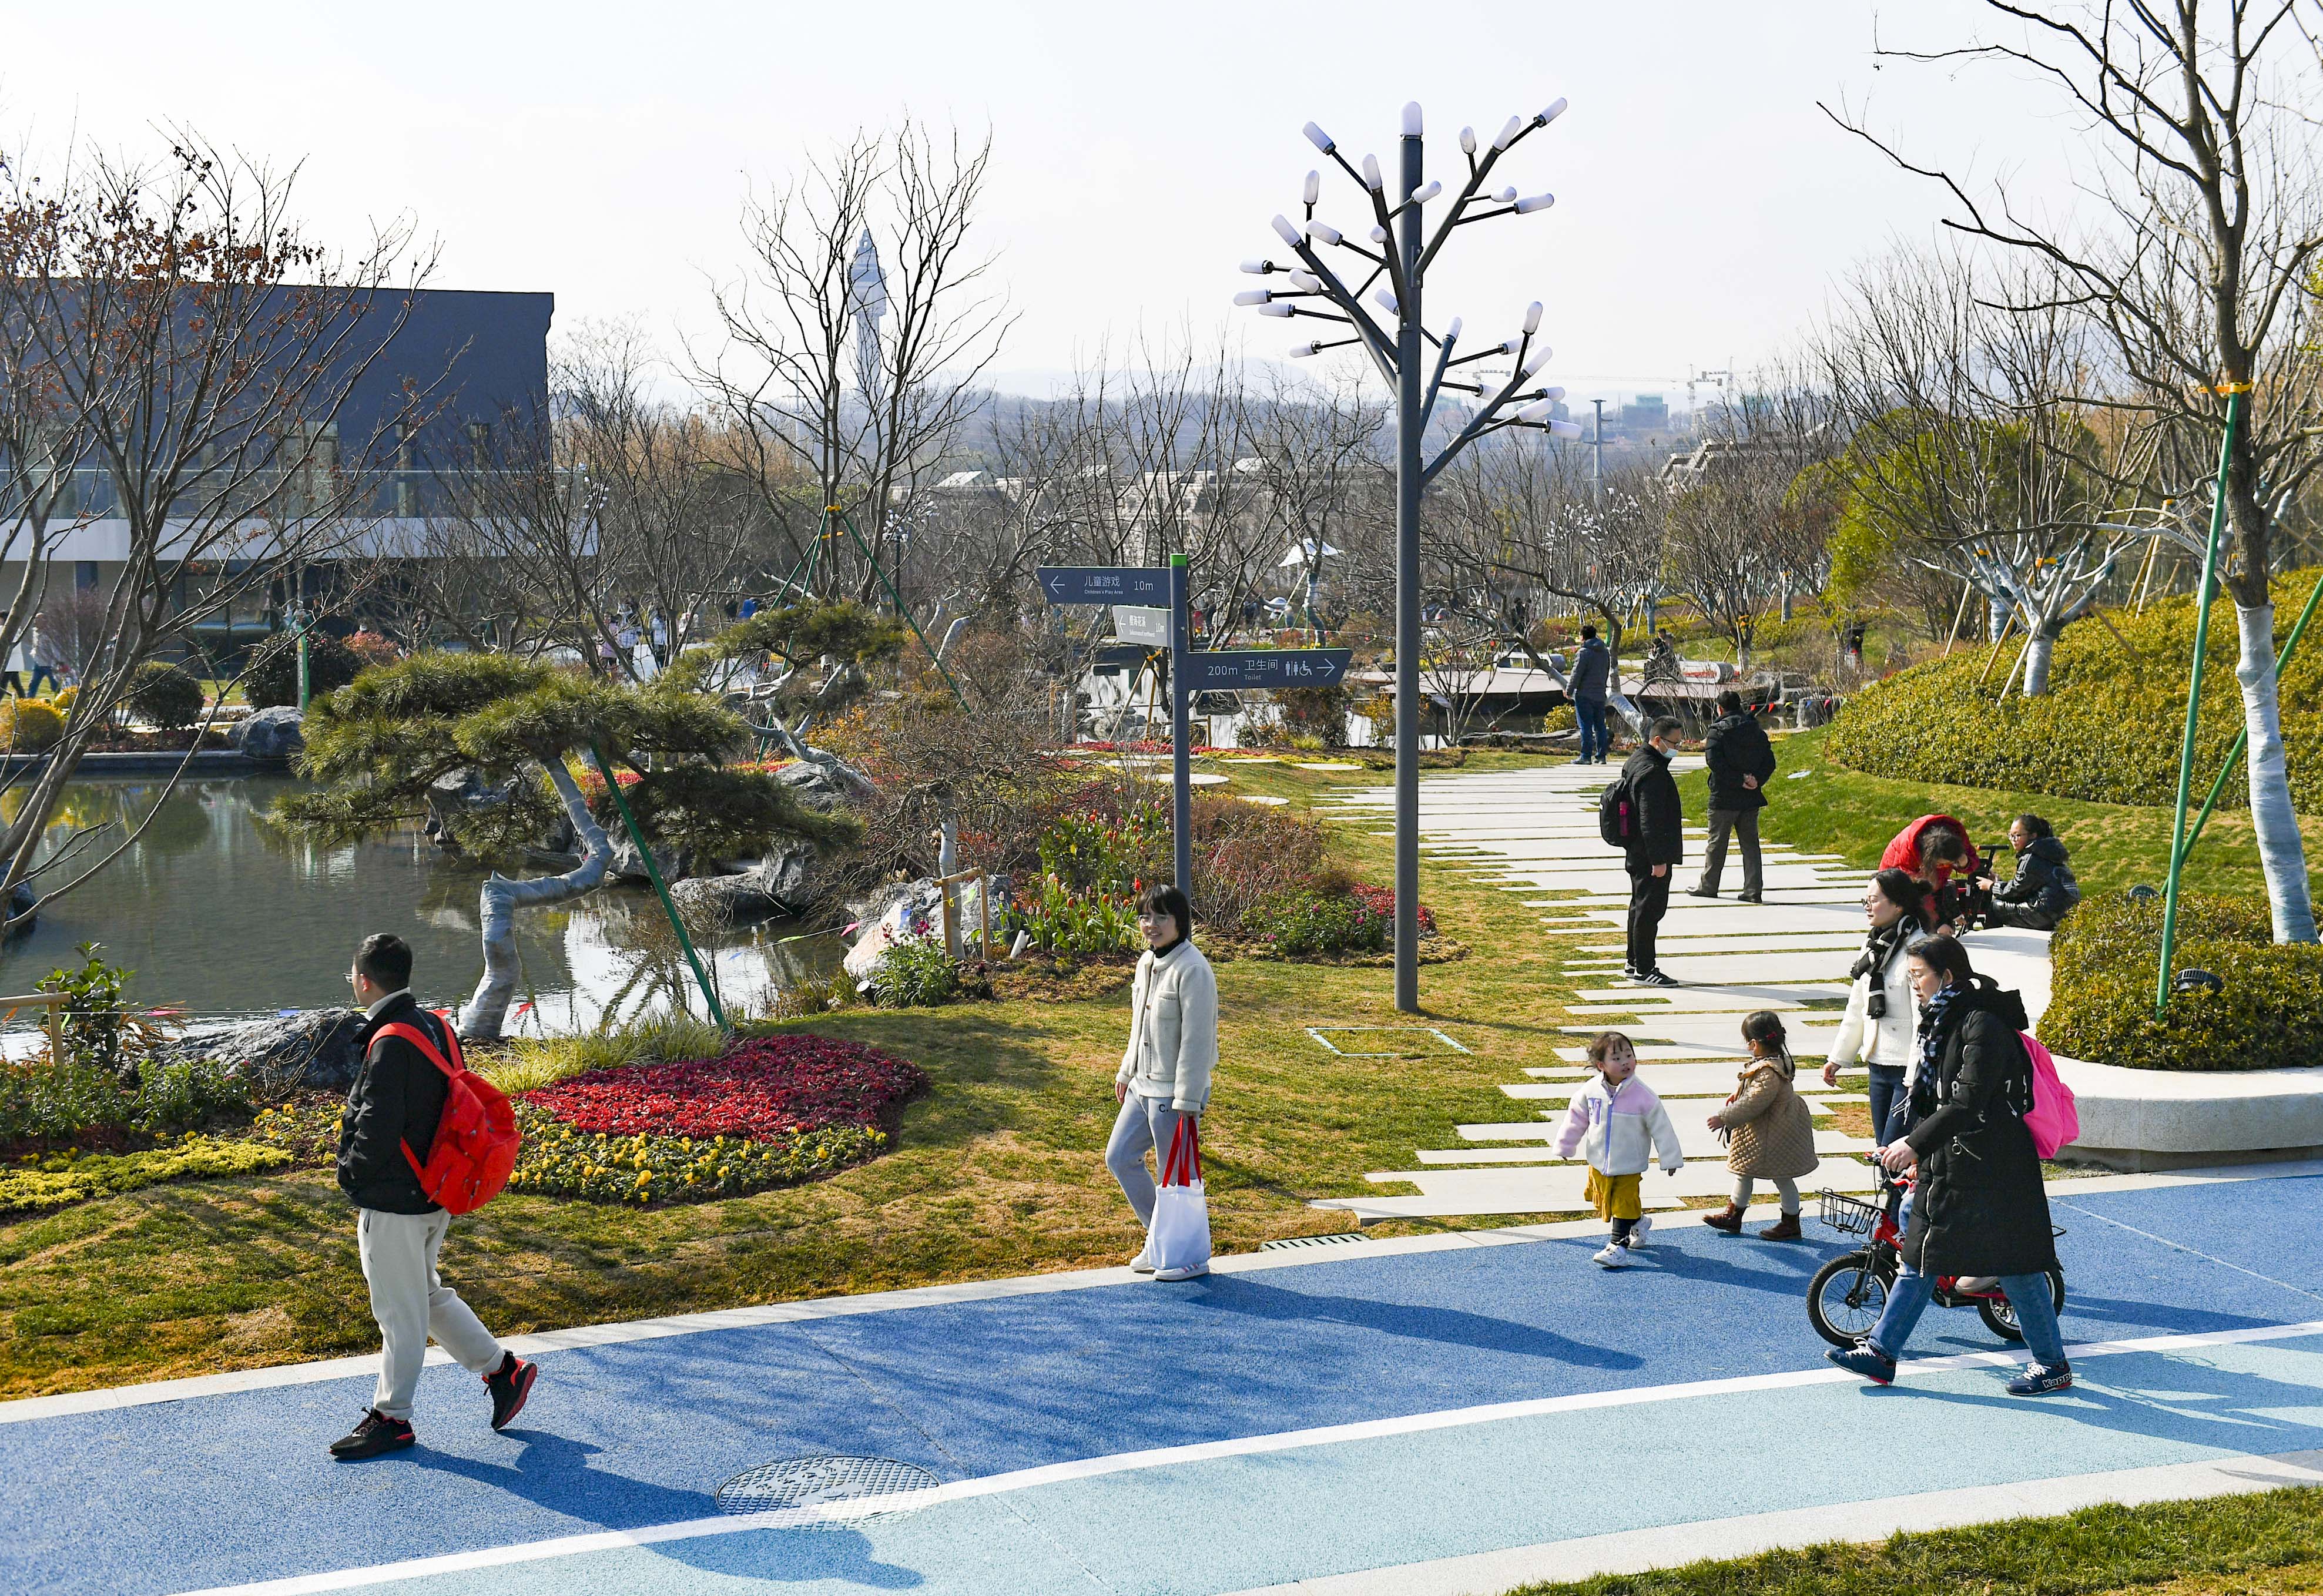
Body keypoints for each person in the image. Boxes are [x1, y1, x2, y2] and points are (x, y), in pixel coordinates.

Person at [1828, 936, 2073, 1397]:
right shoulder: (1944, 1021)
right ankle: (1881, 1352)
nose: (1911, 983)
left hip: (1993, 1166)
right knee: (1921, 1255)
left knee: (2014, 1265)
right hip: (1959, 1163)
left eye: (1917, 974)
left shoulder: (1982, 1024)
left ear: (1947, 975)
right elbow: (1936, 1099)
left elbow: (1967, 1101)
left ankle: (2051, 1365)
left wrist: (1915, 1146)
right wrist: (1913, 1144)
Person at [331, 933, 538, 1459]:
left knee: (399, 1315)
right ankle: (503, 1371)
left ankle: (391, 1419)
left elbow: (379, 1123)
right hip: (436, 1188)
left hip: (395, 1200)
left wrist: (352, 1178)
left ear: (363, 980)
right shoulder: (437, 1026)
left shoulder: (390, 1040)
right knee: (422, 1297)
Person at [1108, 883, 1218, 1283]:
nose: (1150, 925)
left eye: (1160, 917)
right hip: (1142, 1085)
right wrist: (1126, 1072)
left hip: (1173, 1092)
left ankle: (1187, 1257)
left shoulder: (1193, 969)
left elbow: (1197, 1040)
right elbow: (1138, 1027)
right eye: (1144, 916)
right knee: (1119, 1158)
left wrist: (1188, 1097)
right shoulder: (1146, 962)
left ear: (1180, 922)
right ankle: (1160, 1240)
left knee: (1177, 1179)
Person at [1553, 1031, 1684, 1268]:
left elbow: (1662, 1128)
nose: (1625, 1062)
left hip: (1629, 1163)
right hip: (1599, 1162)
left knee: (1623, 1202)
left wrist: (1670, 1158)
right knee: (1609, 1203)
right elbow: (1576, 1119)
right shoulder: (1589, 1092)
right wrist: (1566, 1144)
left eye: (1629, 1055)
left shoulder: (1643, 1096)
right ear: (1601, 1065)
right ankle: (1639, 1221)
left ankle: (1617, 1246)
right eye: (1617, 1058)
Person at [1823, 868, 1931, 1148]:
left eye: (1875, 899)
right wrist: (1838, 1057)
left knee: (1896, 1150)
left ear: (1898, 904)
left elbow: (1924, 1018)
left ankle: (1899, 1194)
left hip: (1905, 1069)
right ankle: (1892, 1194)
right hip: (1877, 1065)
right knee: (1882, 1148)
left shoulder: (1918, 947)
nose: (1868, 906)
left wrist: (1913, 1077)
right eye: (1865, 901)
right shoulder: (1873, 945)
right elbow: (1857, 1005)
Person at [1702, 1010, 1818, 1239]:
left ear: (1755, 1044)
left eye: (1747, 1042)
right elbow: (1752, 1093)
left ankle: (1788, 1222)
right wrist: (1737, 1094)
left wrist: (1724, 1117)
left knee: (1780, 1176)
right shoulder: (1776, 1062)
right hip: (1776, 1128)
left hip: (1772, 1132)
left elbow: (1755, 1102)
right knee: (1748, 1173)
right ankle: (1737, 1215)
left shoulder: (1768, 1072)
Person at [1690, 689, 1776, 903]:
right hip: (1750, 797)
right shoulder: (1755, 730)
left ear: (1720, 708)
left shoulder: (1717, 732)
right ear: (1740, 706)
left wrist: (1738, 780)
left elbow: (1714, 763)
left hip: (1724, 797)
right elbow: (1770, 761)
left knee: (1717, 844)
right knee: (1751, 845)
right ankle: (1753, 890)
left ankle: (1709, 886)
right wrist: (1756, 780)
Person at [1619, 716, 1687, 987]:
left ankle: (1633, 960)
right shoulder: (1653, 772)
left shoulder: (1636, 760)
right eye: (1674, 743)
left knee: (1638, 907)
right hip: (1650, 854)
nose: (1677, 749)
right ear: (1657, 740)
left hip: (1636, 849)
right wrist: (1659, 861)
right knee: (1650, 911)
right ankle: (1645, 968)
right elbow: (1650, 819)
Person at [1974, 814, 2081, 932]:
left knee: (1995, 907)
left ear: (2033, 835)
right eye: (2011, 836)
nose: (2013, 840)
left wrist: (1991, 886)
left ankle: (1995, 943)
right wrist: (1999, 883)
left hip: (2045, 913)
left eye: (2018, 836)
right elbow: (2025, 887)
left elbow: (2016, 890)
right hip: (2063, 912)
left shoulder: (2032, 857)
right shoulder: (2049, 851)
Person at [1880, 814, 1982, 932]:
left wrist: (1965, 863)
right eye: (1941, 864)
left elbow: (1973, 862)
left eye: (1950, 864)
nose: (1945, 867)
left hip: (1928, 879)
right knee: (1911, 925)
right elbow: (1916, 894)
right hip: (1897, 882)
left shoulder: (1957, 837)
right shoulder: (1907, 853)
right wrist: (1937, 924)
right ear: (1929, 858)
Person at [1568, 624, 1611, 765]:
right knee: (1600, 726)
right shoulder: (1605, 652)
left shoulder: (1584, 652)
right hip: (1600, 694)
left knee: (1585, 726)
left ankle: (1586, 756)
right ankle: (1601, 756)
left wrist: (1569, 690)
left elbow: (1576, 674)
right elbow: (1606, 671)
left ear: (1583, 637)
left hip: (1585, 695)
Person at [22, 622, 57, 697]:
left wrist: (55, 660)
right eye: (35, 619)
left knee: (55, 685)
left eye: (39, 620)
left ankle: (61, 701)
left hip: (48, 664)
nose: (36, 622)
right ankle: (29, 702)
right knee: (33, 684)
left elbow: (53, 648)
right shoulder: (35, 632)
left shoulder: (50, 633)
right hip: (38, 663)